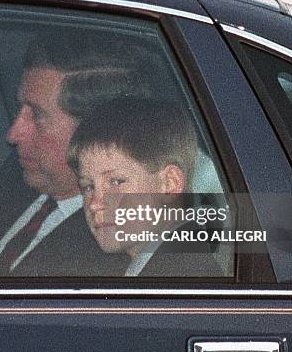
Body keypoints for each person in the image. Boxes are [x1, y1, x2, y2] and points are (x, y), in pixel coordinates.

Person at [0, 34, 153, 277]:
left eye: (37, 115)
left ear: (94, 132)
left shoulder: (112, 239)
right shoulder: (19, 177)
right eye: (21, 109)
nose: (13, 134)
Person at [67, 97, 222, 277]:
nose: (94, 204)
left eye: (116, 182)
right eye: (88, 187)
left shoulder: (180, 278)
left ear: (170, 183)